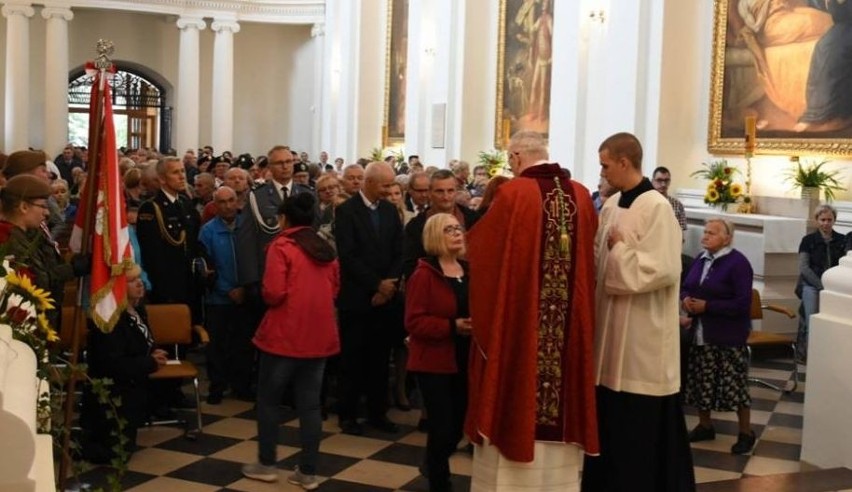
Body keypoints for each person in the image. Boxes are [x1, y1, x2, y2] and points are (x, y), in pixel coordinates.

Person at [465, 131, 598, 491]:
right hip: (566, 330)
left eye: (510, 158)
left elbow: (482, 251)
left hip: (522, 325)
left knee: (516, 377)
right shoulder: (582, 196)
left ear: (517, 156)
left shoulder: (512, 193)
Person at [583, 132, 695, 491]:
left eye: (604, 164)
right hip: (610, 328)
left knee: (637, 426)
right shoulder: (613, 205)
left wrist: (619, 253)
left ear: (623, 162)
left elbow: (663, 269)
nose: (602, 172)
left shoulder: (657, 207)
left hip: (642, 335)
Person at [242, 193, 340, 490]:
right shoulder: (326, 248)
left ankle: (267, 463)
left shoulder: (282, 246)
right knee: (309, 404)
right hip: (319, 333)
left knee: (269, 400)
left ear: (283, 219)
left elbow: (273, 292)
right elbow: (334, 291)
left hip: (284, 335)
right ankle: (308, 472)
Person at [334, 161, 403, 435]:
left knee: (379, 358)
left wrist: (389, 286)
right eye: (385, 186)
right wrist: (376, 285)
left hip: (386, 298)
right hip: (357, 297)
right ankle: (348, 414)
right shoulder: (346, 211)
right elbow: (348, 255)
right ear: (370, 183)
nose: (389, 190)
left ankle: (378, 413)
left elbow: (400, 250)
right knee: (352, 358)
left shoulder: (389, 211)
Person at [405, 213, 471, 492]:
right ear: (435, 236)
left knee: (457, 427)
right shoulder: (424, 274)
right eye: (449, 230)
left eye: (458, 228)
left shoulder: (467, 270)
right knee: (442, 428)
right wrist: (451, 326)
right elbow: (414, 322)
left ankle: (432, 464)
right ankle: (439, 481)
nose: (457, 233)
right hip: (433, 361)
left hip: (463, 358)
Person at [681, 218, 756, 455]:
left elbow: (742, 304)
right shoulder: (700, 259)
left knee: (734, 385)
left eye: (712, 233)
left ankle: (745, 432)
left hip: (728, 334)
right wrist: (685, 299)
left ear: (727, 238)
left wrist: (708, 306)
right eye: (705, 232)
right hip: (700, 332)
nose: (705, 236)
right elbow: (687, 285)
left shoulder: (738, 263)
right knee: (702, 380)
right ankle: (705, 425)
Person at [81, 265, 169, 464]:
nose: (140, 283)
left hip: (133, 393)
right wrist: (150, 362)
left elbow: (142, 341)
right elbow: (113, 364)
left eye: (139, 279)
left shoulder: (137, 310)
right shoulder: (110, 320)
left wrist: (153, 352)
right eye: (132, 281)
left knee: (126, 448)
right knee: (113, 453)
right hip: (113, 397)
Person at [198, 186, 251, 404]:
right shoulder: (207, 231)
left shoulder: (247, 227)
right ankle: (217, 386)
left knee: (243, 344)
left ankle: (242, 386)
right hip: (218, 298)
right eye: (222, 202)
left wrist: (245, 288)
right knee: (216, 345)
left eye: (231, 200)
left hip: (246, 295)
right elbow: (207, 266)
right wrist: (226, 289)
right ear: (215, 205)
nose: (228, 206)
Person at [795, 204, 846, 362]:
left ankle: (829, 356)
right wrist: (820, 285)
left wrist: (832, 285)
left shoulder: (842, 240)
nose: (826, 223)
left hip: (834, 288)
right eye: (822, 219)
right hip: (812, 285)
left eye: (829, 220)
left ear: (834, 221)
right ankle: (810, 356)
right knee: (812, 322)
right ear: (817, 220)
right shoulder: (808, 240)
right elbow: (804, 267)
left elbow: (843, 265)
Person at [651, 165, 687, 234]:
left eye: (666, 180)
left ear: (669, 181)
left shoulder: (677, 205)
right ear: (652, 181)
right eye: (659, 180)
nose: (663, 184)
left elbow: (681, 233)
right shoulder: (646, 203)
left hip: (671, 242)